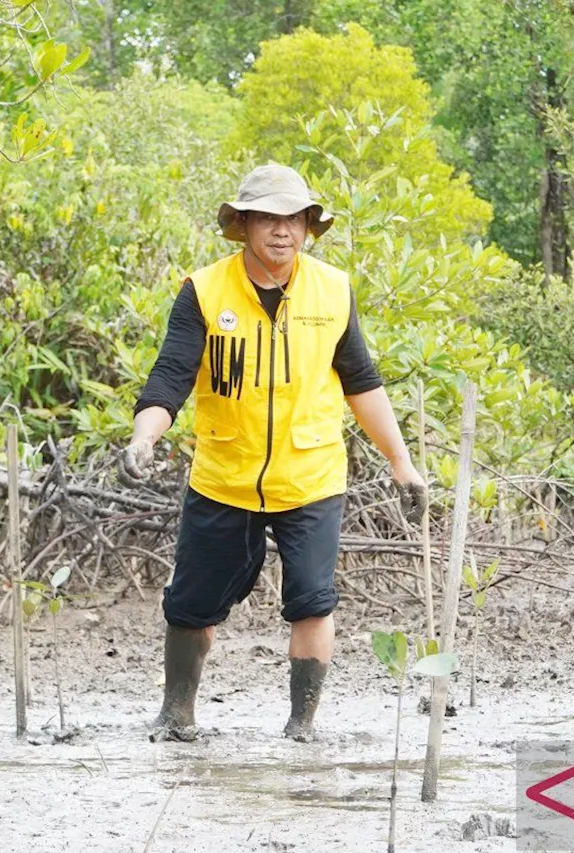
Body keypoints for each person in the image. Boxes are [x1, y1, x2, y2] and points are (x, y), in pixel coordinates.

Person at [120, 163, 427, 742]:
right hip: (223, 476)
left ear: (309, 226)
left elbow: (362, 382)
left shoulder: (333, 290)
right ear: (244, 226)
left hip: (310, 477)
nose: (281, 230)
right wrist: (144, 436)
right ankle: (177, 713)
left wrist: (401, 461)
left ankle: (301, 726)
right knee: (191, 606)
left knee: (313, 601)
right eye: (267, 218)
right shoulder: (204, 291)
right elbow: (170, 378)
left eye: (293, 218)